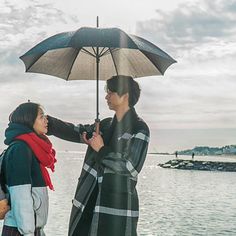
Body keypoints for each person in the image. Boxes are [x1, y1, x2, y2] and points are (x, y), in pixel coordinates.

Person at [47, 75, 150, 236]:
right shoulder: (105, 125)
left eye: (111, 92)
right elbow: (77, 132)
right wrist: (48, 123)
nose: (106, 96)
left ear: (125, 95)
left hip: (116, 208)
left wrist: (101, 149)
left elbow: (130, 166)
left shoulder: (139, 128)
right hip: (88, 201)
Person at [1, 102, 56, 236]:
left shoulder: (30, 147)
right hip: (20, 230)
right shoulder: (21, 149)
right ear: (29, 120)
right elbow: (21, 197)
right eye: (41, 116)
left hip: (29, 228)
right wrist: (28, 232)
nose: (46, 120)